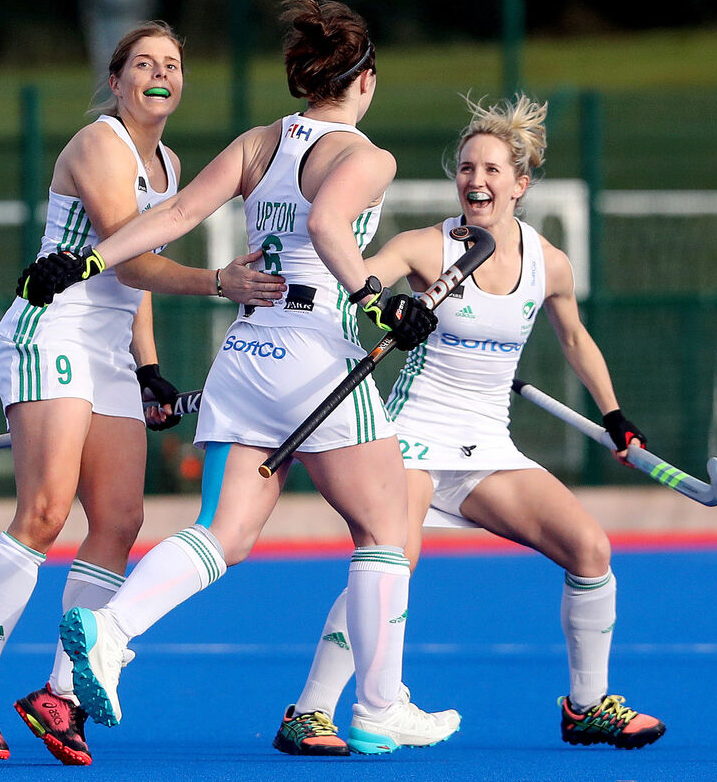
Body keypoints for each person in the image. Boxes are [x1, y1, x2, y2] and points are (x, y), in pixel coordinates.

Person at [42, 0, 460, 757]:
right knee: (386, 528)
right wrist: (373, 302)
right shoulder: (367, 156)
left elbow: (169, 220)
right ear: (363, 79)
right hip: (314, 351)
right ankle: (376, 704)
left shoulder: (260, 142)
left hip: (245, 355)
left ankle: (112, 629)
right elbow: (331, 228)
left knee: (224, 533)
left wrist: (92, 258)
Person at [0, 20, 286, 766]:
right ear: (117, 78)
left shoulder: (169, 162)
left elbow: (140, 271)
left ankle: (61, 694)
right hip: (50, 332)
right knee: (46, 509)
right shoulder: (100, 144)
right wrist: (219, 281)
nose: (161, 75)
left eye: (174, 64)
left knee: (120, 519)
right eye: (146, 64)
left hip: (108, 352)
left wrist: (149, 366)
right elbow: (128, 262)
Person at [274, 94, 667, 753]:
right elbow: (361, 285)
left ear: (521, 184)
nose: (476, 180)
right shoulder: (428, 247)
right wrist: (387, 306)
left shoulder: (550, 264)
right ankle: (309, 711)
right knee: (389, 562)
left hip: (487, 445)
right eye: (466, 168)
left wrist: (616, 416)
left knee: (590, 550)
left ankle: (587, 705)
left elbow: (574, 338)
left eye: (490, 169)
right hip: (413, 438)